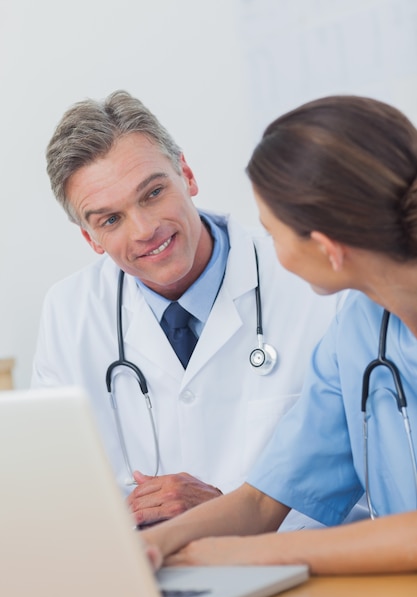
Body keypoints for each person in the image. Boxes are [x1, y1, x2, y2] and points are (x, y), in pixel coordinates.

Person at [31, 90, 341, 528]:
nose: (145, 229)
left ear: (187, 175)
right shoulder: (69, 313)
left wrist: (229, 517)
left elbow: (362, 491)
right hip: (154, 577)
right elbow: (57, 495)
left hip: (298, 573)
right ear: (89, 238)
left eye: (153, 193)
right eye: (110, 220)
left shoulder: (308, 279)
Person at [141, 94, 417, 574]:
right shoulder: (357, 329)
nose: (269, 247)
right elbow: (263, 502)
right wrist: (152, 547)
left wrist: (242, 556)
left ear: (328, 248)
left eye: (272, 232)